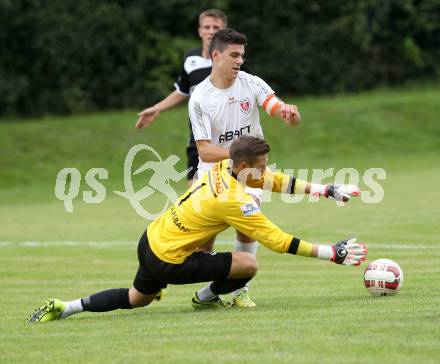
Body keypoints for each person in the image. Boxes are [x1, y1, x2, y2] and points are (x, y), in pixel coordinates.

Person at [28, 136, 366, 323]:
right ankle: (205, 299)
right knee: (248, 264)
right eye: (261, 165)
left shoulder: (222, 166)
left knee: (136, 299)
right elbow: (277, 240)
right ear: (244, 166)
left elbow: (272, 179)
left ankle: (66, 306)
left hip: (151, 239)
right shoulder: (235, 200)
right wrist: (331, 253)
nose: (265, 170)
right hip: (170, 260)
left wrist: (325, 190)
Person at [188, 28, 301, 307]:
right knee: (205, 241)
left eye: (242, 55)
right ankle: (208, 294)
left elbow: (274, 106)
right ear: (216, 55)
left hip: (249, 172)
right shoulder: (200, 97)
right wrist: (240, 153)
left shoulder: (251, 83)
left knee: (247, 227)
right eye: (234, 55)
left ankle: (239, 291)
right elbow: (204, 150)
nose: (239, 61)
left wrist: (288, 114)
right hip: (211, 174)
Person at [135, 9, 228, 187]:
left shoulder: (232, 60)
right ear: (199, 31)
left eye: (216, 27)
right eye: (206, 27)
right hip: (198, 133)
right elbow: (182, 90)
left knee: (228, 190)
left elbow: (249, 90)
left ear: (224, 31)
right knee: (193, 190)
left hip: (227, 132)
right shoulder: (190, 58)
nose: (210, 31)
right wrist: (156, 108)